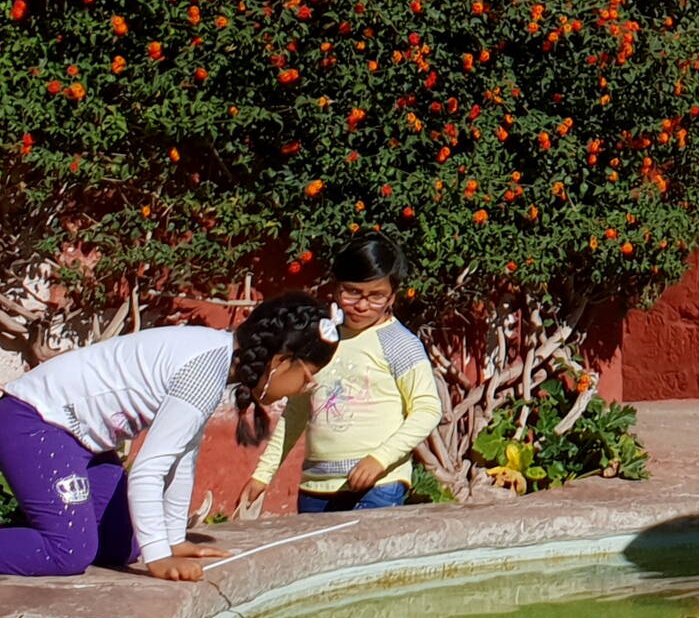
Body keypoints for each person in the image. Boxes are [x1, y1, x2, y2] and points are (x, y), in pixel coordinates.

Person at [0, 291, 332, 579]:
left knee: (121, 545)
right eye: (308, 375)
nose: (308, 387)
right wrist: (159, 557)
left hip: (82, 439)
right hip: (36, 422)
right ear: (281, 361)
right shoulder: (205, 368)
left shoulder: (215, 360)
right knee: (68, 551)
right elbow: (149, 468)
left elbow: (183, 458)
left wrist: (173, 540)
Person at [239, 231, 443, 516]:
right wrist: (264, 473)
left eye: (376, 296)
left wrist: (379, 460)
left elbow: (427, 409)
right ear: (335, 289)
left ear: (392, 296)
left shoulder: (399, 343)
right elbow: (297, 410)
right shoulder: (321, 338)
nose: (362, 305)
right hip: (316, 487)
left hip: (379, 486)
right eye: (353, 292)